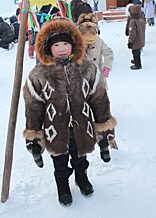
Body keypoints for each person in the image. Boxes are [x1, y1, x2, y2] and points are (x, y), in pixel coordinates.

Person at [23, 17, 117, 206]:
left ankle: (81, 179)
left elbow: (99, 99)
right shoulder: (39, 74)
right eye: (56, 44)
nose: (62, 48)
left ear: (74, 43)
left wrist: (104, 132)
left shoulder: (87, 68)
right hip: (55, 129)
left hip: (82, 127)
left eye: (66, 43)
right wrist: (34, 137)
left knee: (80, 159)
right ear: (47, 47)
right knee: (60, 163)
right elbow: (33, 107)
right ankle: (63, 187)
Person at [77, 13, 114, 87]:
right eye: (85, 33)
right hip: (82, 77)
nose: (88, 35)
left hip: (98, 76)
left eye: (91, 32)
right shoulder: (77, 43)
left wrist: (107, 66)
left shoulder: (99, 41)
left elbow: (109, 53)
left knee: (99, 94)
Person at [127, 4, 145, 70]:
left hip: (135, 41)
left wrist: (130, 42)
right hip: (140, 39)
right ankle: (136, 60)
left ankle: (137, 64)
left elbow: (132, 33)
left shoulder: (133, 21)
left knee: (135, 52)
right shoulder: (141, 19)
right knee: (138, 51)